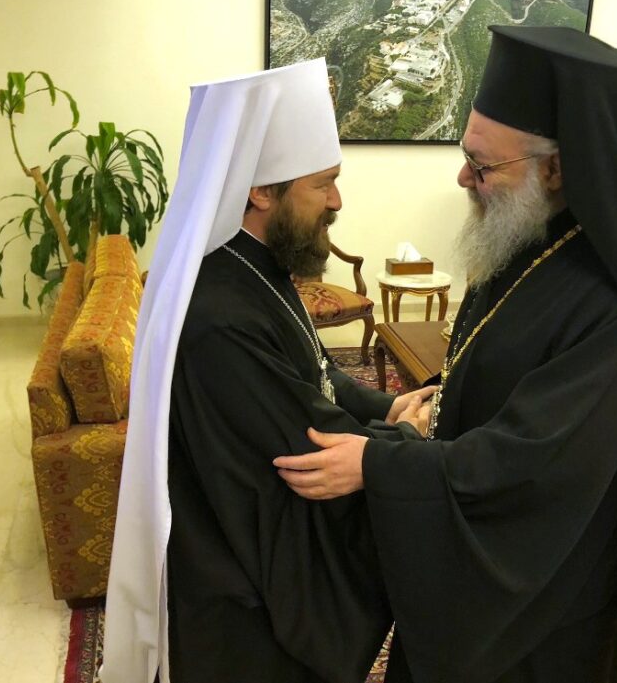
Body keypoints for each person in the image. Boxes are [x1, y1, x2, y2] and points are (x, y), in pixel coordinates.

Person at [274, 26, 617, 683]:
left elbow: (537, 459)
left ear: (557, 168)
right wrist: (438, 399)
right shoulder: (521, 237)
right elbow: (496, 356)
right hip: (480, 571)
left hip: (547, 599)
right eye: (466, 154)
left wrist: (380, 464)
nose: (463, 176)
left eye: (483, 164)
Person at [100, 58, 432, 683]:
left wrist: (383, 407)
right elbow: (308, 450)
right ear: (261, 192)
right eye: (323, 184)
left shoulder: (256, 263)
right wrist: (405, 440)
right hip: (242, 597)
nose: (337, 201)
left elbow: (316, 369)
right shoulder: (220, 315)